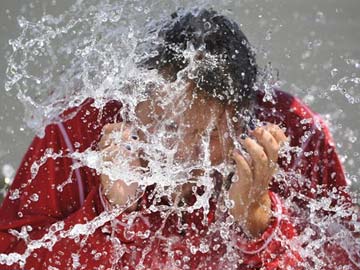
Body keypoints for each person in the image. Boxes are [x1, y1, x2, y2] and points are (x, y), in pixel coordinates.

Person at [0, 8, 357, 270]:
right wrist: (108, 215)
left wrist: (260, 223)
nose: (183, 156)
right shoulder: (75, 133)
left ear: (244, 121)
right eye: (167, 127)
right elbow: (11, 258)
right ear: (136, 99)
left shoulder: (296, 136)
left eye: (208, 135)